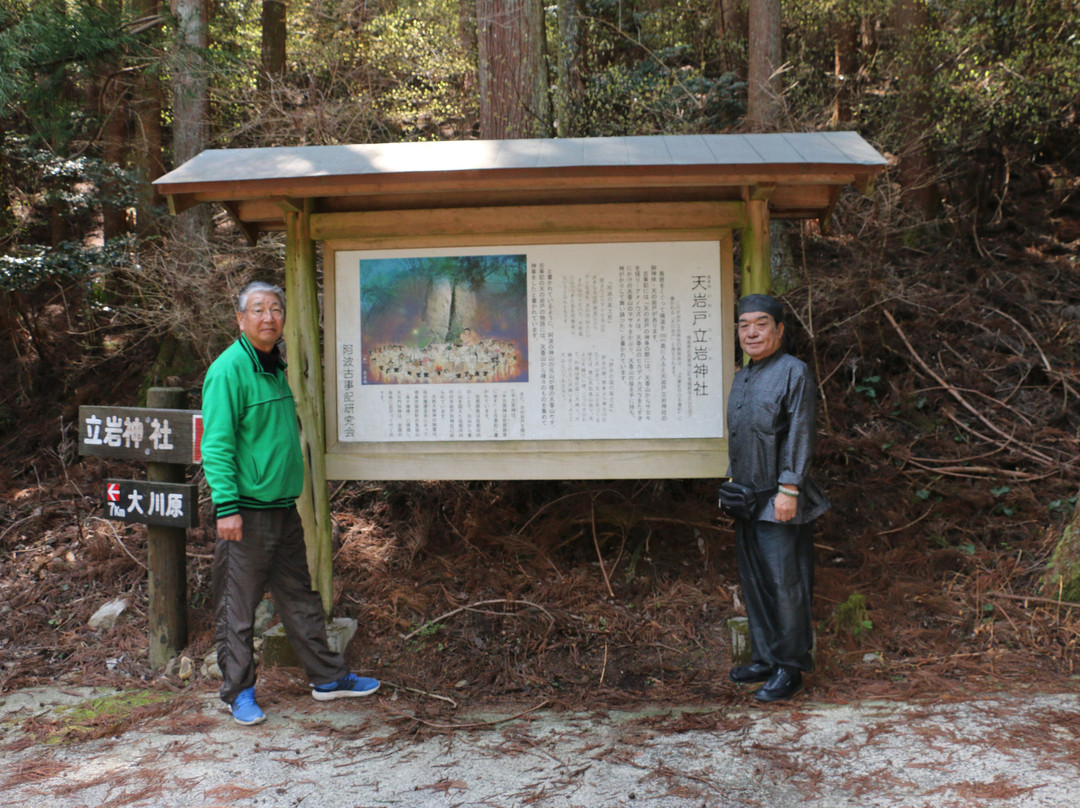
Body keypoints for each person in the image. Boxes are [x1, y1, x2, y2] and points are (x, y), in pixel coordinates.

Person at [201, 281, 380, 725]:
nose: (268, 317)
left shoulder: (273, 365)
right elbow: (216, 446)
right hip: (245, 511)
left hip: (282, 508)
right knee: (237, 610)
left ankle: (327, 678)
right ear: (240, 319)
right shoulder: (229, 371)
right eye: (257, 310)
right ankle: (238, 692)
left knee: (300, 598)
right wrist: (226, 507)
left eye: (276, 309)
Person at [725, 294, 829, 702]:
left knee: (787, 584)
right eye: (744, 325)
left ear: (780, 329)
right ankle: (766, 658)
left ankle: (791, 668)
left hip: (780, 498)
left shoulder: (794, 372)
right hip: (746, 497)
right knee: (756, 581)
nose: (751, 331)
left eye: (761, 324)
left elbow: (801, 432)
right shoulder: (743, 376)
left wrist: (790, 487)